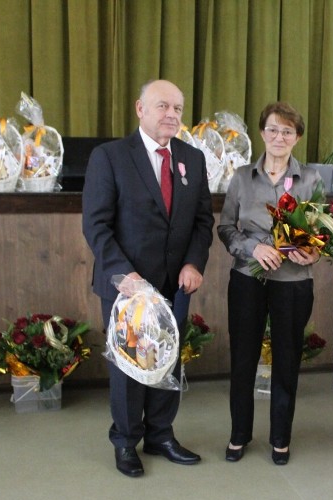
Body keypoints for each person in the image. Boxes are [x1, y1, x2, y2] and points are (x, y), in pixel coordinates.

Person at [82, 79, 214, 477]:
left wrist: (194, 264)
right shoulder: (110, 157)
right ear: (140, 108)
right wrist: (126, 276)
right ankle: (125, 441)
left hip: (177, 285)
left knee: (167, 363)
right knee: (128, 367)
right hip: (128, 288)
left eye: (177, 107)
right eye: (162, 106)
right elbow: (96, 225)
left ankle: (160, 435)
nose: (171, 114)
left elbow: (203, 222)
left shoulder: (193, 158)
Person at [217, 102, 323, 465]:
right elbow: (226, 228)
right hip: (248, 277)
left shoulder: (310, 179)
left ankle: (281, 437)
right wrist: (253, 248)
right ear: (262, 133)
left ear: (297, 138)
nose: (280, 137)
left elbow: (320, 232)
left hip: (293, 281)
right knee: (243, 357)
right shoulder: (242, 177)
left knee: (287, 359)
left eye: (288, 131)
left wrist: (313, 251)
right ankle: (239, 434)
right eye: (274, 129)